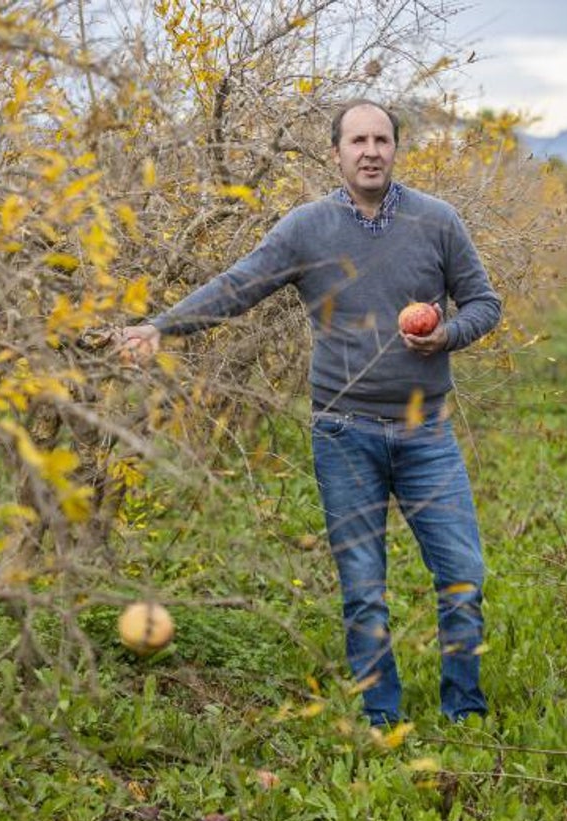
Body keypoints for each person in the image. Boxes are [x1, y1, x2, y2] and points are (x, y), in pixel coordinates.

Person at [117, 100, 501, 725]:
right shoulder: (306, 228)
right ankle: (381, 718)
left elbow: (484, 302)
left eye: (381, 139)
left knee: (462, 574)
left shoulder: (437, 221)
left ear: (396, 148)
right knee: (363, 589)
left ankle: (466, 710)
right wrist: (161, 327)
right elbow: (237, 286)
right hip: (343, 431)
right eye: (358, 140)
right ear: (336, 153)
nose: (370, 150)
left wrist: (448, 335)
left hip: (424, 429)